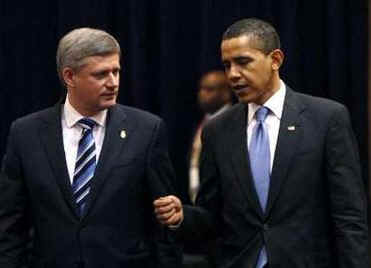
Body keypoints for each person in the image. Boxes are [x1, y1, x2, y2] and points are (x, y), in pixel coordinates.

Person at [154, 18, 369, 268]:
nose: (233, 74)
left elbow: (348, 216)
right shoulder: (217, 130)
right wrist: (183, 216)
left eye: (243, 62)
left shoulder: (326, 119)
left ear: (275, 60)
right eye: (227, 65)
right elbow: (211, 217)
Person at [0, 28, 180, 268]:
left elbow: (164, 223)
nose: (113, 82)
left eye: (116, 71)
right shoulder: (26, 134)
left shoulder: (147, 130)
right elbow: (11, 225)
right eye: (101, 74)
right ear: (70, 77)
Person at [189, 70, 233, 203]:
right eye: (201, 89)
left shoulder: (234, 122)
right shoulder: (201, 123)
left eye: (209, 89)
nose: (202, 94)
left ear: (226, 93)